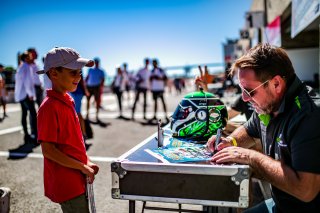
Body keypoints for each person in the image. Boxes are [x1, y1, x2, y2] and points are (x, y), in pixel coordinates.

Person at [206, 43, 320, 212]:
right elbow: (249, 130)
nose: (244, 98)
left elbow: (305, 190)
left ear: (276, 84)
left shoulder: (308, 115)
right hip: (280, 205)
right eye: (241, 90)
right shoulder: (268, 105)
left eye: (250, 91)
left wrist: (250, 156)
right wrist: (230, 141)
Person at [36, 47, 99, 212]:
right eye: (73, 73)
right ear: (54, 74)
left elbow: (72, 142)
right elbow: (48, 150)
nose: (79, 77)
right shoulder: (49, 107)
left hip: (77, 176)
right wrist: (81, 166)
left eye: (80, 73)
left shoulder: (68, 100)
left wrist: (86, 162)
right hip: (67, 182)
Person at [14, 52, 37, 143]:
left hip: (21, 95)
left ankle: (26, 135)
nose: (32, 58)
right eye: (30, 57)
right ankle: (35, 135)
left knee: (24, 115)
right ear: (26, 58)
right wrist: (31, 94)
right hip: (26, 95)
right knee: (33, 114)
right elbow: (27, 82)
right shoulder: (27, 67)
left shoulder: (20, 67)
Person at [70, 74, 91, 146]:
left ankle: (84, 135)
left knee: (78, 113)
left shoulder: (77, 68)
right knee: (74, 114)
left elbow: (81, 80)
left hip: (77, 92)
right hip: (72, 92)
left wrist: (85, 90)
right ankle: (81, 135)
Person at [85, 57, 105, 122]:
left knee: (97, 102)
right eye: (95, 62)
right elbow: (87, 78)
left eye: (97, 62)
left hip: (97, 87)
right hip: (89, 86)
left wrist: (101, 88)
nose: (96, 63)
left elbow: (102, 80)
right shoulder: (90, 70)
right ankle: (87, 115)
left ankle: (97, 115)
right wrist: (84, 86)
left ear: (99, 63)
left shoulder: (101, 71)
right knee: (88, 101)